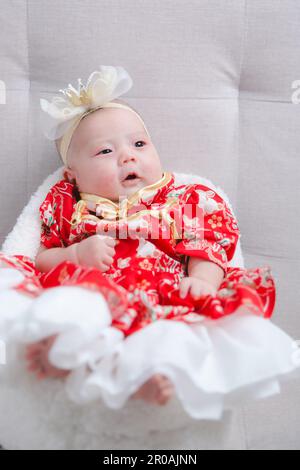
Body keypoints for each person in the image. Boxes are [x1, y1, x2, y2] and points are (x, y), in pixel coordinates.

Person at [1, 66, 296, 418]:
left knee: (174, 334)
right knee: (74, 310)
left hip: (163, 295)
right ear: (73, 175)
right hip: (98, 297)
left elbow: (208, 245)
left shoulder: (182, 200)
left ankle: (152, 378)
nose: (128, 156)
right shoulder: (70, 206)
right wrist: (76, 253)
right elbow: (39, 258)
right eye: (105, 151)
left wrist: (202, 282)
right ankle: (64, 359)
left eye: (139, 144)